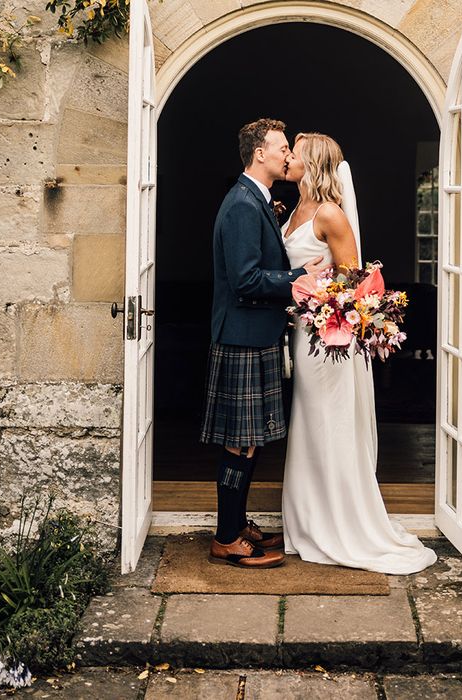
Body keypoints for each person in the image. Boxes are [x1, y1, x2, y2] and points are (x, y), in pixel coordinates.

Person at [281, 132, 438, 575]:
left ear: (313, 163)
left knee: (329, 422)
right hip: (301, 332)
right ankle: (308, 521)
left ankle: (339, 523)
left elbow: (351, 282)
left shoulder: (330, 213)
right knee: (308, 423)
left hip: (325, 339)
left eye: (296, 151)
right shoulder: (296, 209)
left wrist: (318, 302)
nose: (289, 157)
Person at [200, 119, 327, 569]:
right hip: (242, 338)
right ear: (259, 154)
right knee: (239, 442)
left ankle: (238, 524)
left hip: (254, 336)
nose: (288, 153)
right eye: (282, 147)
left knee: (249, 441)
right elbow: (245, 280)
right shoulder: (241, 205)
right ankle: (226, 537)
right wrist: (299, 278)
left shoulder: (256, 200)